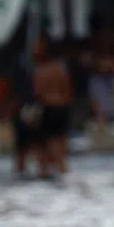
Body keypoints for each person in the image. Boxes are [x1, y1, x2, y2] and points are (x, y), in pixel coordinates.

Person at [33, 39, 73, 176]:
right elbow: (67, 89)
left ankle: (44, 170)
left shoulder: (40, 71)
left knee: (46, 142)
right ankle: (62, 168)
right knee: (60, 139)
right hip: (62, 106)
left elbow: (38, 92)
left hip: (48, 106)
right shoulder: (60, 68)